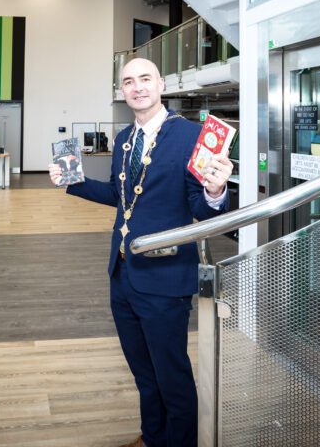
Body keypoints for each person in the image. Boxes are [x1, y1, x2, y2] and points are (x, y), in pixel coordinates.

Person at [49, 58, 233, 447]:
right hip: (123, 275)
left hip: (165, 279)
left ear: (161, 84)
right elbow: (121, 199)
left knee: (171, 375)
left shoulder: (192, 137)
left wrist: (215, 192)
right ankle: (153, 437)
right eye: (128, 81)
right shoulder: (124, 140)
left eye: (145, 79)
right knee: (143, 373)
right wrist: (71, 182)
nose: (137, 87)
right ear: (122, 91)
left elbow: (200, 211)